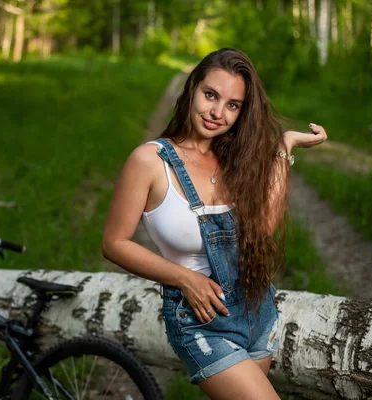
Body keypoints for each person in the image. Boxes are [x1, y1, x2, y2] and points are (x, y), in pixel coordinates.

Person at [101, 48, 327, 399]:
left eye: (232, 105)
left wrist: (285, 145)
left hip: (256, 310)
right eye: (211, 95)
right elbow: (114, 243)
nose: (217, 113)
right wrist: (184, 277)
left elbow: (264, 227)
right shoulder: (149, 161)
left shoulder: (235, 160)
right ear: (192, 88)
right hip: (200, 322)